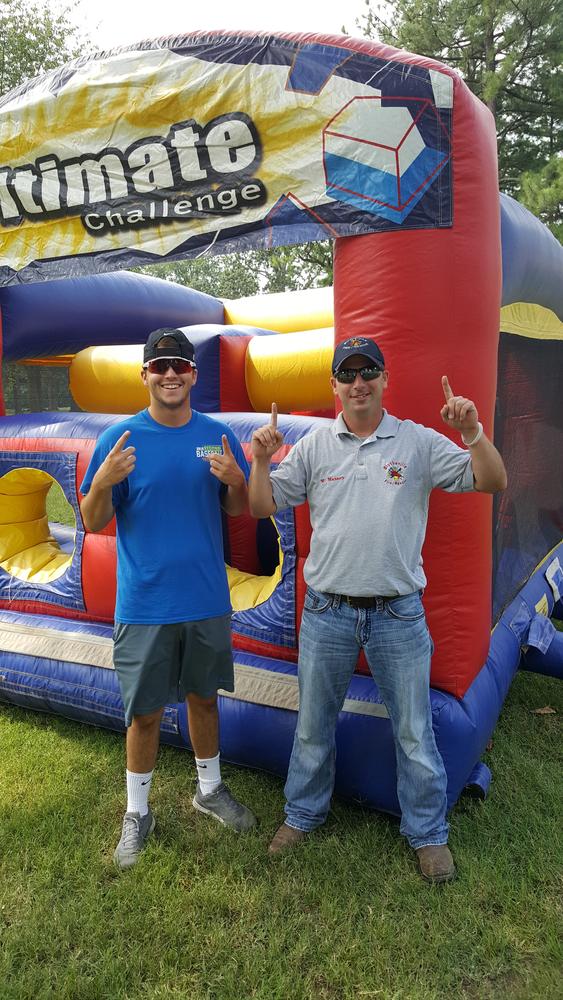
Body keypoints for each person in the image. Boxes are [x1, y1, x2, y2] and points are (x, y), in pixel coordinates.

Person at [248, 336, 507, 883]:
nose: (359, 383)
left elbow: (492, 479)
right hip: (327, 611)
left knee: (414, 730)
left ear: (385, 379)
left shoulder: (416, 442)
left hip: (398, 615)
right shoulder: (316, 446)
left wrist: (472, 433)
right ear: (335, 386)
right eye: (348, 374)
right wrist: (260, 460)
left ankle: (428, 833)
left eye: (369, 373)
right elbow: (261, 503)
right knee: (314, 725)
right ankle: (301, 814)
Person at [80, 328, 257, 870]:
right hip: (145, 604)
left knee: (205, 699)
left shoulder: (217, 434)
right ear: (145, 377)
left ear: (194, 374)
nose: (171, 374)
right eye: (160, 366)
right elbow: (91, 520)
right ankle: (137, 813)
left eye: (180, 364)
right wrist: (104, 480)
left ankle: (210, 790)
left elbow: (238, 509)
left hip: (205, 598)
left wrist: (234, 481)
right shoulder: (119, 439)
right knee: (146, 714)